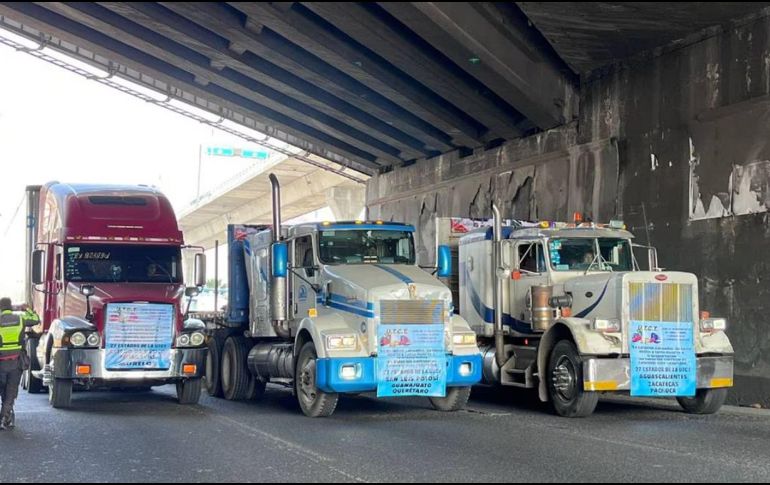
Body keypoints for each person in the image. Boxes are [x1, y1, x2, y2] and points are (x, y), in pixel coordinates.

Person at [0, 298, 40, 430]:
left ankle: (6, 415)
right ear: (11, 306)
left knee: (3, 390)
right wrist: (26, 309)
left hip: (1, 362)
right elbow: (35, 319)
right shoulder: (20, 319)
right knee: (11, 391)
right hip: (16, 361)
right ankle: (4, 417)